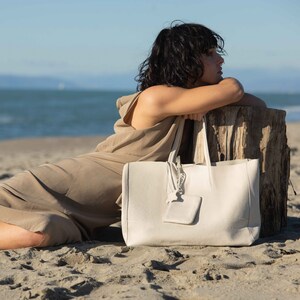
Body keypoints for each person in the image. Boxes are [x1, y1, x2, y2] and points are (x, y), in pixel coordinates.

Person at [0, 22, 266, 249]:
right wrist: (217, 95)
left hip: (80, 213)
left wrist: (206, 100)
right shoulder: (156, 97)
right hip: (48, 190)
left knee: (51, 229)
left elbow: (257, 106)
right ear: (187, 60)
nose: (220, 60)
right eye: (210, 54)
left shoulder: (183, 101)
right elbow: (234, 90)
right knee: (40, 233)